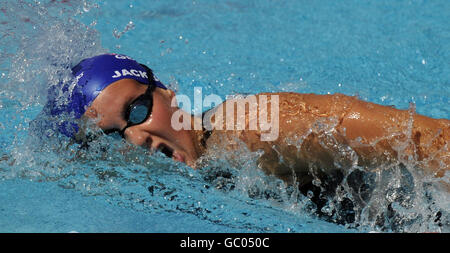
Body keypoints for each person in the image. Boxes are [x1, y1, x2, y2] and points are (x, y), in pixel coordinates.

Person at [44, 53, 449, 195]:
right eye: (112, 137)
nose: (135, 139)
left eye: (136, 111)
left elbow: (431, 139)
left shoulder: (253, 128)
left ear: (167, 93)